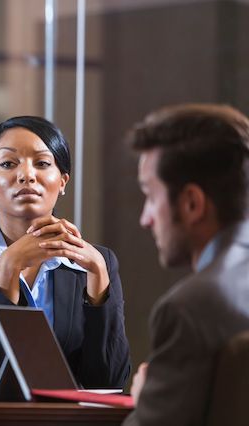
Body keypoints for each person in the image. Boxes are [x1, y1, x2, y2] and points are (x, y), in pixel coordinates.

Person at [0, 116, 131, 389]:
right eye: (8, 164)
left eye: (43, 163)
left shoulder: (97, 261)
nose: (27, 175)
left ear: (62, 181)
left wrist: (99, 280)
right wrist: (8, 267)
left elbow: (109, 382)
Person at [123, 104, 249, 425]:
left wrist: (145, 399)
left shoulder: (189, 310)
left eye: (151, 196)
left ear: (192, 203)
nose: (145, 219)